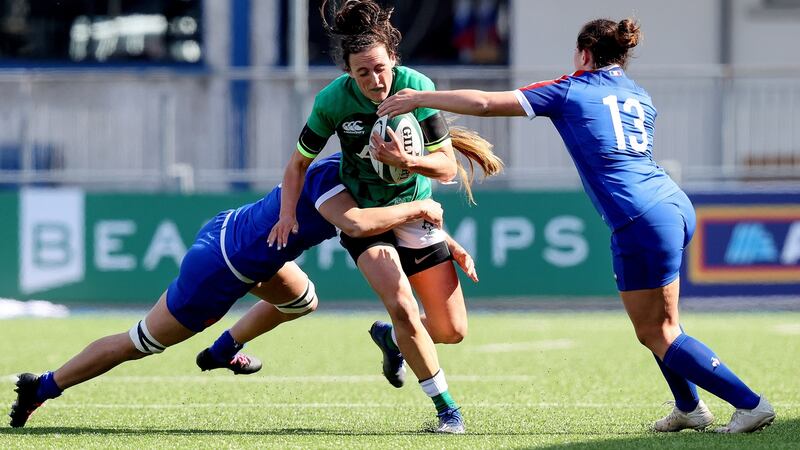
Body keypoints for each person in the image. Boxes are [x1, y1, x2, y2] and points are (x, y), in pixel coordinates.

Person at [377, 18, 776, 434]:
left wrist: (418, 97)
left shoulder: (572, 88)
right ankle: (689, 408)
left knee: (656, 331)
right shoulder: (638, 94)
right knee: (665, 323)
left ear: (585, 54)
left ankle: (750, 404)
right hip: (672, 203)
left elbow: (484, 104)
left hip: (638, 216)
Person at [8, 152, 448, 429]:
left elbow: (395, 218)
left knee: (302, 300)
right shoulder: (332, 180)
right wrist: (425, 205)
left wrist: (446, 241)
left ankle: (224, 348)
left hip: (235, 233)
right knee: (139, 342)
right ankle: (43, 385)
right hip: (223, 268)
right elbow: (359, 224)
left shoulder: (356, 172)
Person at [269, 0, 502, 434]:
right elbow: (298, 163)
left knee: (451, 331)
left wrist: (408, 161)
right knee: (402, 305)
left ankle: (390, 340)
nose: (375, 80)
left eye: (380, 68)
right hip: (367, 213)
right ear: (349, 74)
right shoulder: (332, 101)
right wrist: (286, 215)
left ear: (393, 59)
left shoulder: (416, 88)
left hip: (415, 208)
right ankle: (447, 411)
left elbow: (448, 167)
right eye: (363, 73)